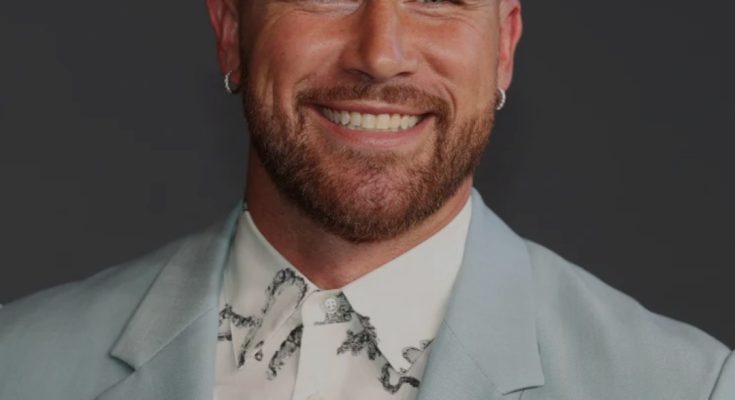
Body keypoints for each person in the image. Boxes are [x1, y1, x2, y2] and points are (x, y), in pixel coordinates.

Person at [0, 0, 732, 398]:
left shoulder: (689, 389)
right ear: (230, 29)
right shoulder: (18, 366)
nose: (380, 53)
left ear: (503, 46)